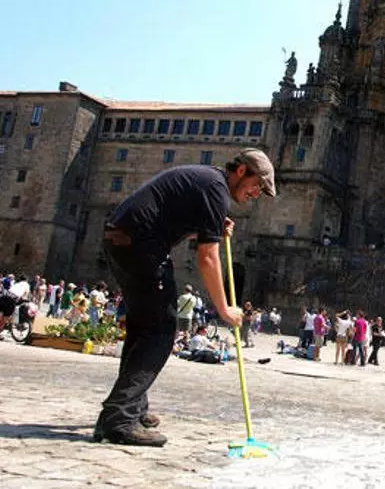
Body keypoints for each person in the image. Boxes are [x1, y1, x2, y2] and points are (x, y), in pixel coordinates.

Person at [93, 148, 274, 447]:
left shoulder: (209, 182)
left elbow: (171, 218)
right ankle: (119, 417)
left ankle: (131, 407)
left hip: (121, 238)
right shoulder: (216, 188)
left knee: (143, 328)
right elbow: (208, 258)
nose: (256, 193)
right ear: (241, 171)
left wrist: (210, 226)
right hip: (141, 245)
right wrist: (224, 309)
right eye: (257, 185)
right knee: (160, 332)